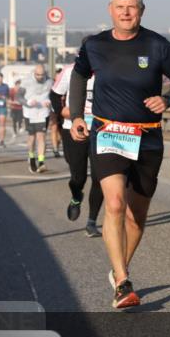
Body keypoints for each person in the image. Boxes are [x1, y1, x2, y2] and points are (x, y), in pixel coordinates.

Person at [69, 0, 170, 309]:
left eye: (132, 7)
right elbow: (78, 76)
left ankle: (118, 267)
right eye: (120, 7)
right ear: (110, 9)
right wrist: (77, 115)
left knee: (136, 217)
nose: (126, 12)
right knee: (113, 203)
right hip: (108, 133)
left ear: (142, 9)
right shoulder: (94, 45)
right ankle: (123, 283)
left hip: (147, 137)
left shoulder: (157, 45)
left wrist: (167, 98)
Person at [52, 60, 104, 237]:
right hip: (74, 129)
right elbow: (54, 95)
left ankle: (91, 222)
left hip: (101, 130)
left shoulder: (108, 68)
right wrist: (61, 110)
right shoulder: (70, 71)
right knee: (78, 176)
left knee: (100, 177)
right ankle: (76, 197)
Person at [24, 64, 52, 173]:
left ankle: (41, 162)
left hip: (43, 113)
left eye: (42, 75)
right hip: (30, 113)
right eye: (37, 75)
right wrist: (28, 102)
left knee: (41, 136)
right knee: (32, 138)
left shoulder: (50, 81)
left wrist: (50, 102)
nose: (40, 77)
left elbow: (54, 95)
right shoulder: (26, 81)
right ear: (34, 73)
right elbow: (19, 96)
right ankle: (31, 157)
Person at [49, 67, 64, 158]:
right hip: (53, 109)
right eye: (57, 76)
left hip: (63, 109)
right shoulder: (51, 84)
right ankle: (55, 149)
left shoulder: (66, 83)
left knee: (61, 131)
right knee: (54, 128)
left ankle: (57, 145)